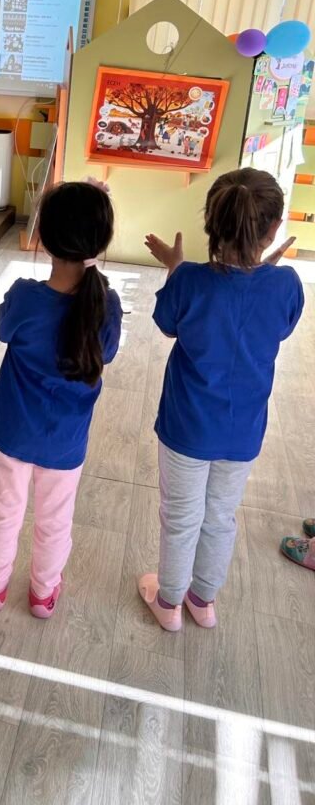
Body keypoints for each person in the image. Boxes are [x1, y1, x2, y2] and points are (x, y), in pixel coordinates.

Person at [140, 168, 304, 631]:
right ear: (273, 228)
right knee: (219, 517)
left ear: (211, 223)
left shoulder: (189, 280)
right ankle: (203, 600)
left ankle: (169, 603)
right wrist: (265, 270)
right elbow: (276, 323)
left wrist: (175, 267)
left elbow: (167, 324)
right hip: (243, 433)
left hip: (186, 428)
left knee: (181, 517)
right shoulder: (287, 285)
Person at [0, 182, 122, 619]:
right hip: (65, 441)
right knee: (55, 520)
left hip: (12, 432)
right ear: (101, 242)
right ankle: (43, 593)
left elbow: (3, 330)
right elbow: (107, 353)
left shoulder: (25, 296)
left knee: (3, 512)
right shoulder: (106, 305)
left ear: (41, 234)